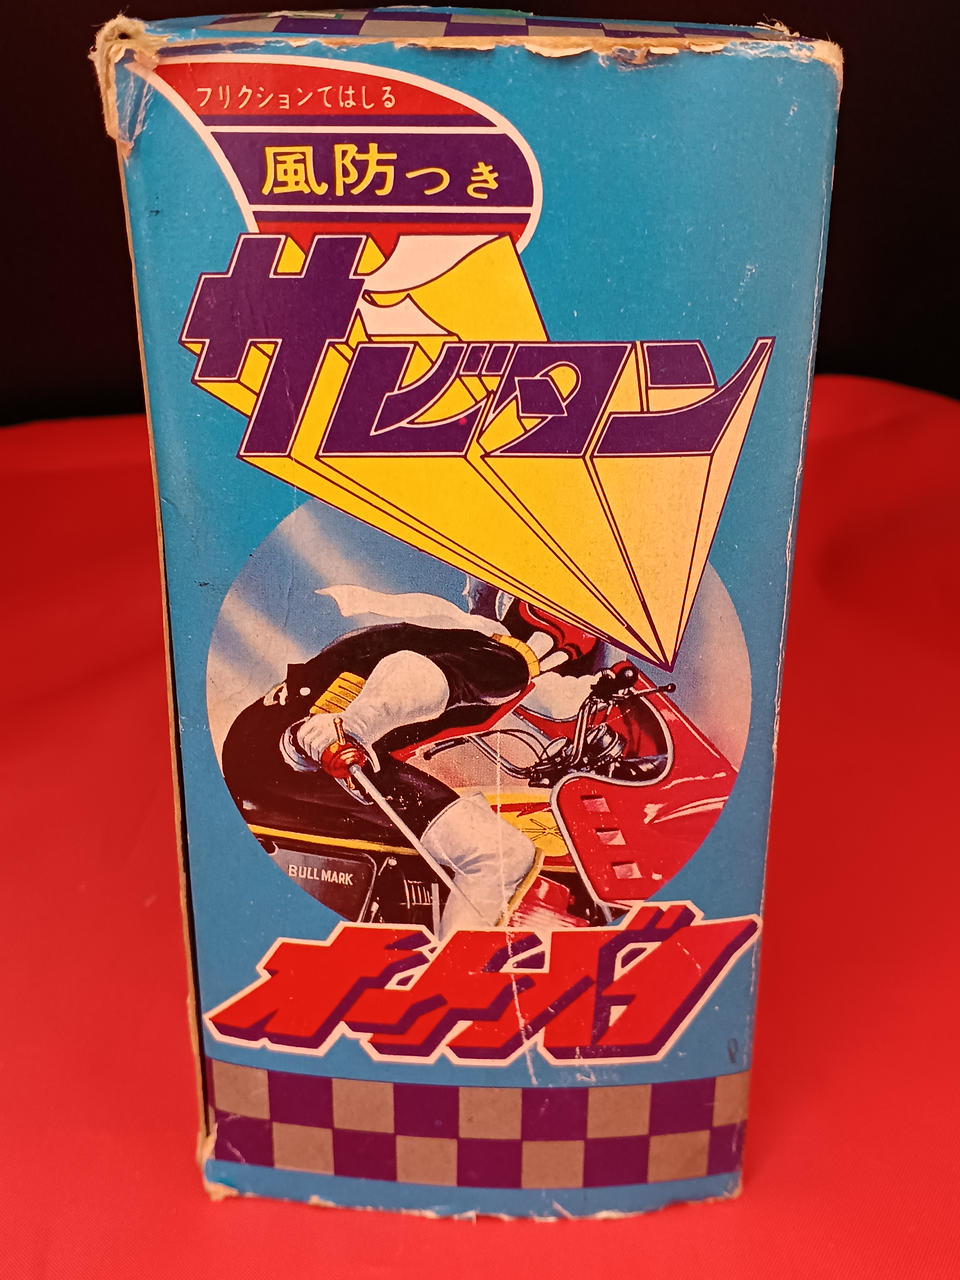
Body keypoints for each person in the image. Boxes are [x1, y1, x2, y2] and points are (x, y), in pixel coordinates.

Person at [221, 583, 598, 937]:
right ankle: (456, 967)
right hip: (308, 752)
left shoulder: (450, 632)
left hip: (272, 741)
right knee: (501, 855)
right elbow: (414, 672)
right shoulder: (506, 662)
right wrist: (352, 727)